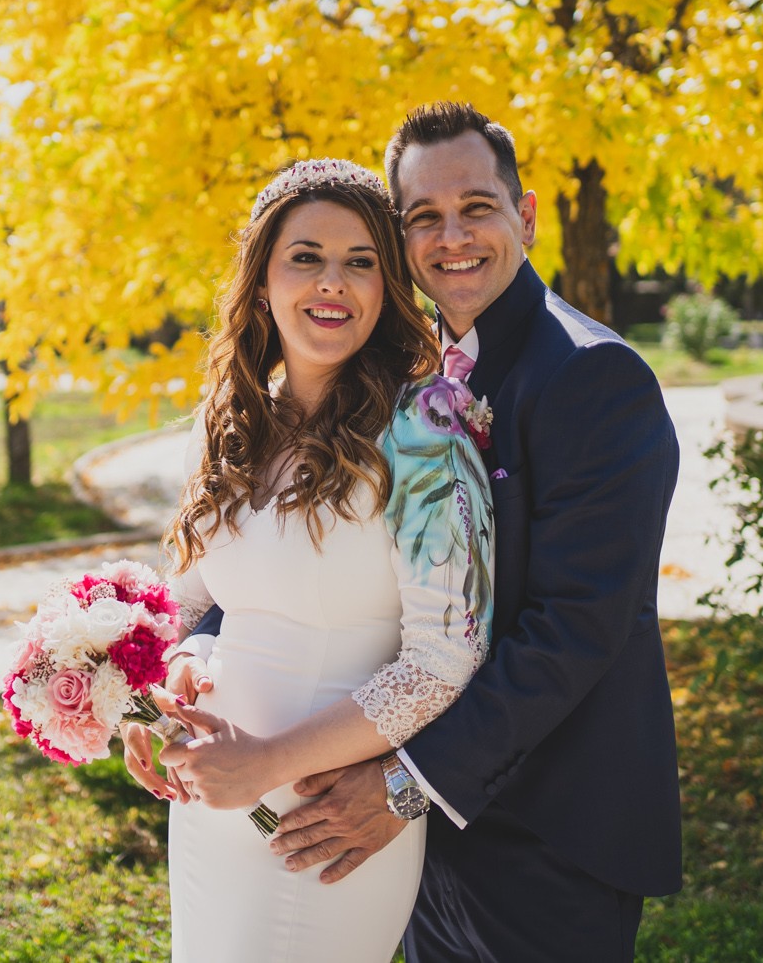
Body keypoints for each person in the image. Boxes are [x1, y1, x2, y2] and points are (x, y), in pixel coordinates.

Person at [163, 104, 683, 959]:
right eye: (423, 218)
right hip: (380, 811)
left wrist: (405, 786)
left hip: (545, 827)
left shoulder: (592, 377)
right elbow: (283, 568)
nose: (453, 236)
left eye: (477, 206)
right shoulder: (397, 380)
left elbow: (575, 628)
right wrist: (197, 657)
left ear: (527, 213)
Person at [123, 157, 495, 962]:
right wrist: (166, 679)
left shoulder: (426, 431)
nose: (334, 282)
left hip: (328, 815)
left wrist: (266, 762)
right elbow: (186, 601)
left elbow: (445, 654)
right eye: (306, 257)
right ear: (261, 281)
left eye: (360, 261)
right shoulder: (227, 420)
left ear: (386, 286)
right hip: (208, 805)